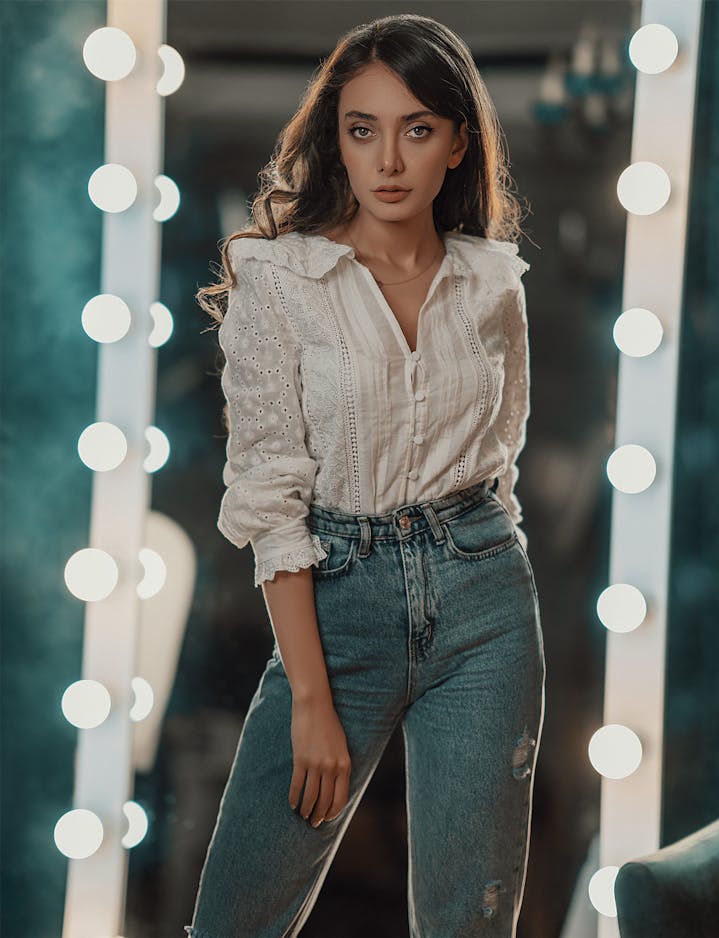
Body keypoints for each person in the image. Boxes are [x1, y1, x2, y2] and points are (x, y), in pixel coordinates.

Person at [187, 13, 545, 938]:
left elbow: (499, 458)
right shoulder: (278, 280)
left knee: (471, 922)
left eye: (417, 129)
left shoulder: (492, 282)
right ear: (334, 140)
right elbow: (271, 495)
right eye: (362, 129)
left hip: (485, 601)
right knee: (237, 920)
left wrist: (484, 555)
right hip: (335, 602)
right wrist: (310, 694)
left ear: (458, 143)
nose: (388, 158)